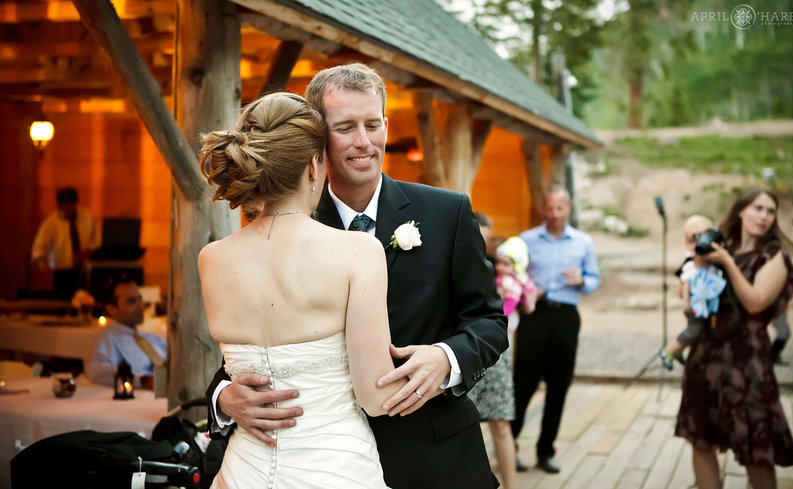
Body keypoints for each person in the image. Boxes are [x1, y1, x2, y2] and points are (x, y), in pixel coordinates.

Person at [205, 64, 508, 489]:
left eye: (373, 124)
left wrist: (448, 358)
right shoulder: (269, 229)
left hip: (435, 459)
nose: (364, 142)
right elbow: (255, 347)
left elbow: (489, 321)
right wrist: (223, 398)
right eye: (345, 127)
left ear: (386, 124)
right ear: (316, 139)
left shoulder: (448, 212)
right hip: (319, 463)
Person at [198, 91, 405, 488]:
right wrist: (440, 361)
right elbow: (376, 397)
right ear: (314, 165)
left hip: (246, 471)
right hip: (336, 468)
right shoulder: (358, 251)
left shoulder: (213, 258)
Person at [675, 187, 793, 489]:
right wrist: (692, 281)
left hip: (748, 362)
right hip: (707, 357)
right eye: (758, 208)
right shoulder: (720, 244)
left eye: (771, 211)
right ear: (741, 210)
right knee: (701, 440)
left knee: (756, 448)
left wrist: (727, 262)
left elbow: (755, 302)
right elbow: (692, 294)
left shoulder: (774, 258)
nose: (764, 216)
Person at [511, 185, 601, 474]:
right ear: (543, 209)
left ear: (568, 209)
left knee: (559, 386)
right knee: (522, 384)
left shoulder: (583, 242)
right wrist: (526, 288)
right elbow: (514, 273)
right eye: (549, 208)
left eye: (559, 208)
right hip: (533, 316)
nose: (554, 214)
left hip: (566, 317)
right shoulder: (526, 240)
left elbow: (595, 278)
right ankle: (509, 446)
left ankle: (545, 451)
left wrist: (581, 281)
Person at [469, 236, 536, 489]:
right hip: (468, 346)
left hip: (498, 352)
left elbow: (507, 314)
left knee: (500, 420)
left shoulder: (510, 283)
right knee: (466, 422)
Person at [659, 214, 726, 370]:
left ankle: (679, 351)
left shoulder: (714, 258)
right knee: (694, 331)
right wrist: (686, 302)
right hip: (696, 305)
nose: (698, 243)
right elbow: (684, 285)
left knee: (702, 331)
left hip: (710, 305)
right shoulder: (690, 263)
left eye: (703, 236)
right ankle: (670, 351)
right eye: (693, 238)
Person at [86, 277, 166, 389]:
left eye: (140, 299)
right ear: (111, 309)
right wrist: (144, 380)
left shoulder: (151, 338)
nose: (141, 305)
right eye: (132, 301)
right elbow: (97, 372)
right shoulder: (107, 339)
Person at [31, 186, 100, 299]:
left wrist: (85, 253)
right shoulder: (51, 222)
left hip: (84, 269)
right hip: (61, 272)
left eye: (72, 206)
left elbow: (97, 241)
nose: (70, 210)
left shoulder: (87, 217)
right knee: (63, 303)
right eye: (67, 207)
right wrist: (45, 270)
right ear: (60, 206)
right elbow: (38, 250)